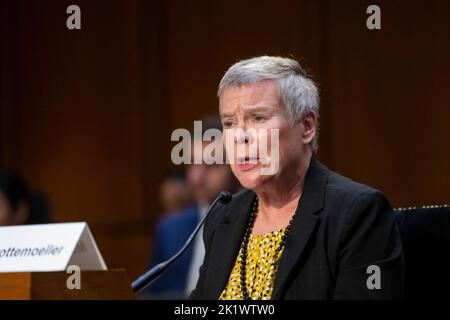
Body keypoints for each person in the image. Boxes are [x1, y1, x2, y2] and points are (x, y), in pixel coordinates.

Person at [190, 56, 403, 300]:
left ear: (307, 125)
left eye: (258, 118)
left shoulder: (357, 214)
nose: (239, 137)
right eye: (229, 122)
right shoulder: (223, 217)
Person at [144, 115, 240, 299]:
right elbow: (154, 294)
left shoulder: (259, 224)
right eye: (192, 163)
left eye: (211, 165)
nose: (197, 177)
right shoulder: (170, 228)